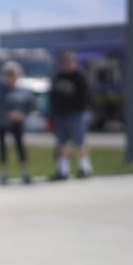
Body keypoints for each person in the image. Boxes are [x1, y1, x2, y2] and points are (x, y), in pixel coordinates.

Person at [49, 51, 93, 179]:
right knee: (61, 143)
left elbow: (86, 97)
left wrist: (79, 109)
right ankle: (63, 170)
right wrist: (55, 112)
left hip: (76, 114)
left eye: (69, 62)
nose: (67, 65)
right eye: (64, 62)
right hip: (61, 115)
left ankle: (85, 168)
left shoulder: (80, 77)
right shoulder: (58, 77)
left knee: (80, 141)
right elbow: (53, 96)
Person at [0, 61, 33, 185]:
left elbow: (30, 104)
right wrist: (8, 114)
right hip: (1, 122)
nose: (11, 77)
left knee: (20, 147)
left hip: (17, 123)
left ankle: (25, 173)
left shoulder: (23, 90)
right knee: (2, 148)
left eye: (14, 75)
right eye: (9, 75)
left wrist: (23, 115)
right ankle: (4, 174)